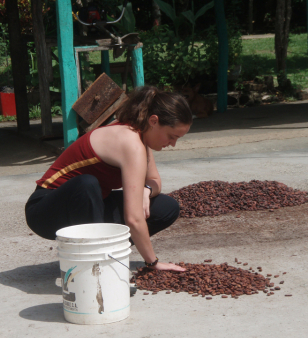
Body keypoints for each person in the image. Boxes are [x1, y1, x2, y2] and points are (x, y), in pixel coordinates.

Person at [25, 86, 192, 272]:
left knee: (166, 207)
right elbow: (134, 218)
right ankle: (100, 263)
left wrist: (147, 190)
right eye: (172, 136)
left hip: (91, 207)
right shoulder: (130, 142)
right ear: (154, 121)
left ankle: (106, 251)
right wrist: (153, 262)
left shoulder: (141, 137)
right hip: (46, 210)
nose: (173, 144)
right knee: (86, 184)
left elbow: (154, 181)